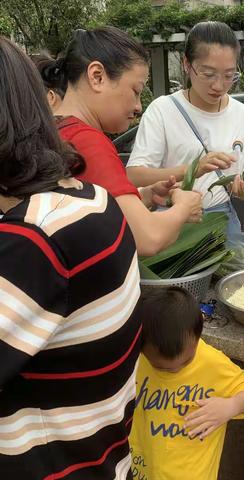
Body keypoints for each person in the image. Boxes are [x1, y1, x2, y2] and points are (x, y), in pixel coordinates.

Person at [0, 36, 141, 478]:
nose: (139, 106)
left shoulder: (36, 239)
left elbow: (151, 235)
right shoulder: (88, 196)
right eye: (136, 91)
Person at [51, 27, 203, 257]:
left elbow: (88, 213)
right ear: (97, 76)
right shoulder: (88, 143)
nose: (138, 106)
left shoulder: (55, 129)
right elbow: (148, 238)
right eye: (136, 91)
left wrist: (144, 196)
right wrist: (183, 207)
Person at [126, 21, 244, 244]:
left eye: (229, 75)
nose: (219, 85)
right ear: (187, 65)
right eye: (208, 74)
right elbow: (134, 175)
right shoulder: (163, 109)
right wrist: (192, 170)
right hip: (171, 223)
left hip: (221, 223)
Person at [129, 286, 244, 480]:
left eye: (185, 362)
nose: (175, 370)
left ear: (198, 333)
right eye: (162, 367)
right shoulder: (135, 357)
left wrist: (231, 406)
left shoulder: (211, 362)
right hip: (144, 465)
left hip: (194, 472)